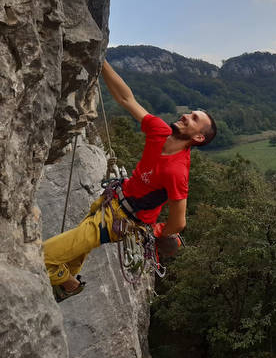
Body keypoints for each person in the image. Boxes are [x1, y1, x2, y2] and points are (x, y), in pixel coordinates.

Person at [43, 60, 217, 302]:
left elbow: (179, 222)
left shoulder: (177, 171)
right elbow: (127, 99)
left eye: (194, 118)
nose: (186, 115)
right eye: (190, 113)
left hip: (121, 220)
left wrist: (157, 231)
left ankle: (70, 284)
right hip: (111, 201)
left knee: (42, 256)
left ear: (198, 137)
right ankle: (66, 283)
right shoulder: (159, 130)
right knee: (74, 250)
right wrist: (101, 61)